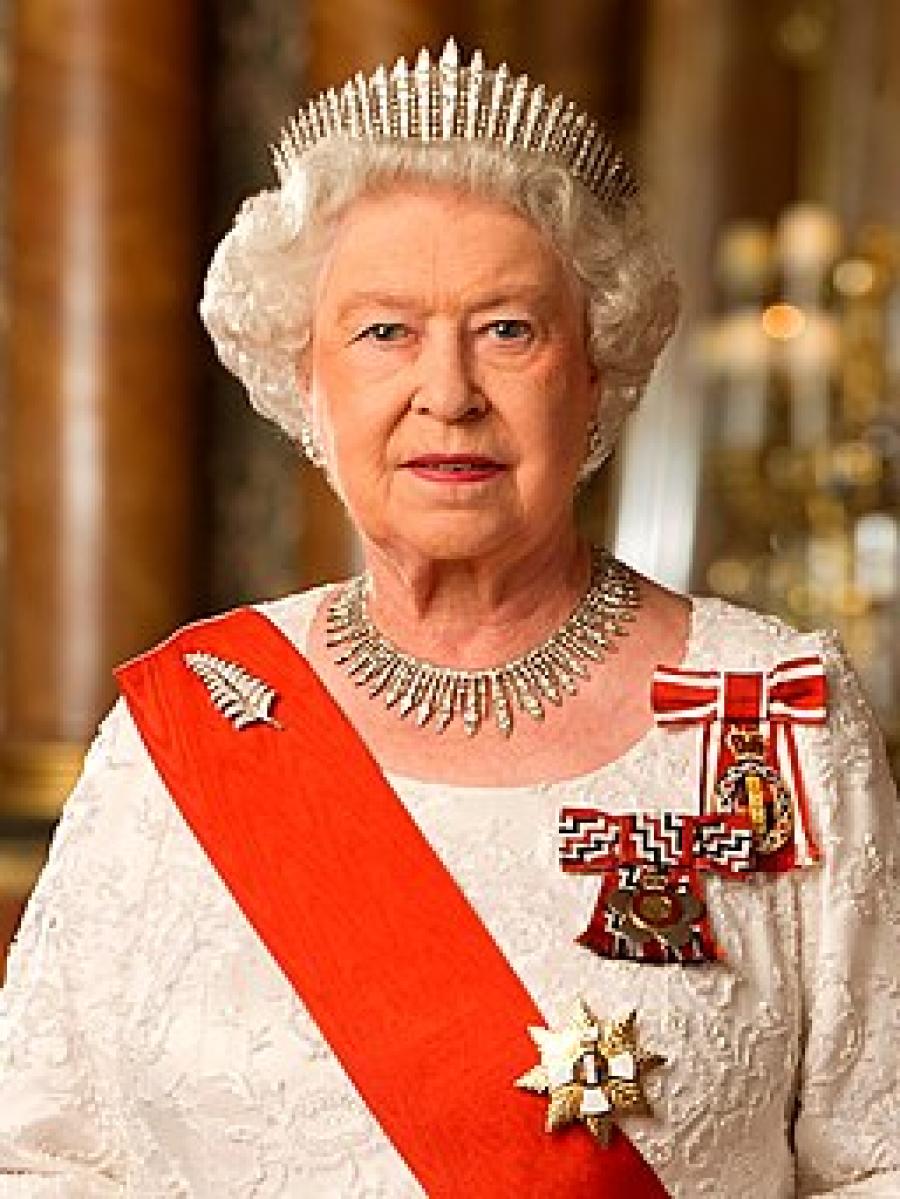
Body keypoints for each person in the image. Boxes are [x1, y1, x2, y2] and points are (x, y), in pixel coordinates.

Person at [0, 38, 897, 1198]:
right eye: (384, 332)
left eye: (508, 329)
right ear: (306, 380)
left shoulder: (772, 713)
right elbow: (41, 1156)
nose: (449, 391)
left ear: (597, 370)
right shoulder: (187, 726)